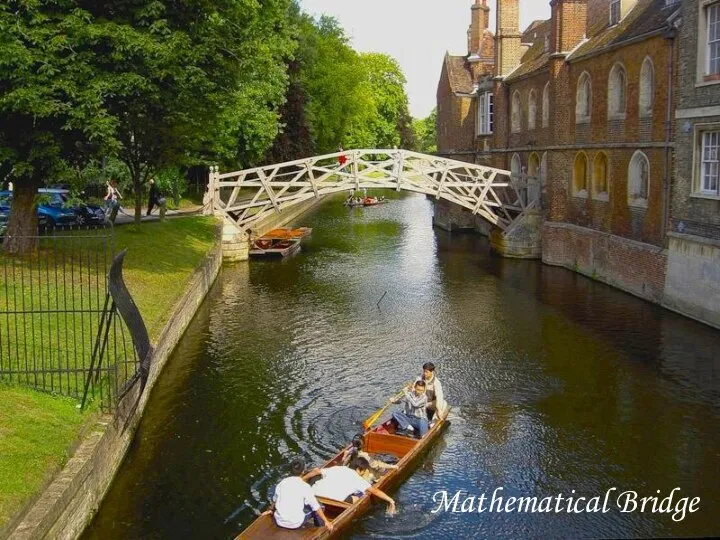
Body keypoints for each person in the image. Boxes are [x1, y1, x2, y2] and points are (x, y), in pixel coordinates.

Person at [262, 457, 333, 532]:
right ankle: (320, 530)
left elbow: (275, 500)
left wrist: (270, 510)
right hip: (294, 523)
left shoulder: (282, 482)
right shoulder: (305, 486)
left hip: (278, 520)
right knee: (321, 507)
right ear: (303, 471)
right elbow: (315, 506)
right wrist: (327, 522)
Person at [312, 458, 396, 513]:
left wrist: (303, 478)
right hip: (334, 500)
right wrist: (391, 500)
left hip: (315, 494)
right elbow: (375, 491)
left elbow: (317, 471)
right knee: (359, 497)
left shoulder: (338, 468)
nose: (363, 473)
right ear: (359, 469)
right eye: (364, 471)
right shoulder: (358, 478)